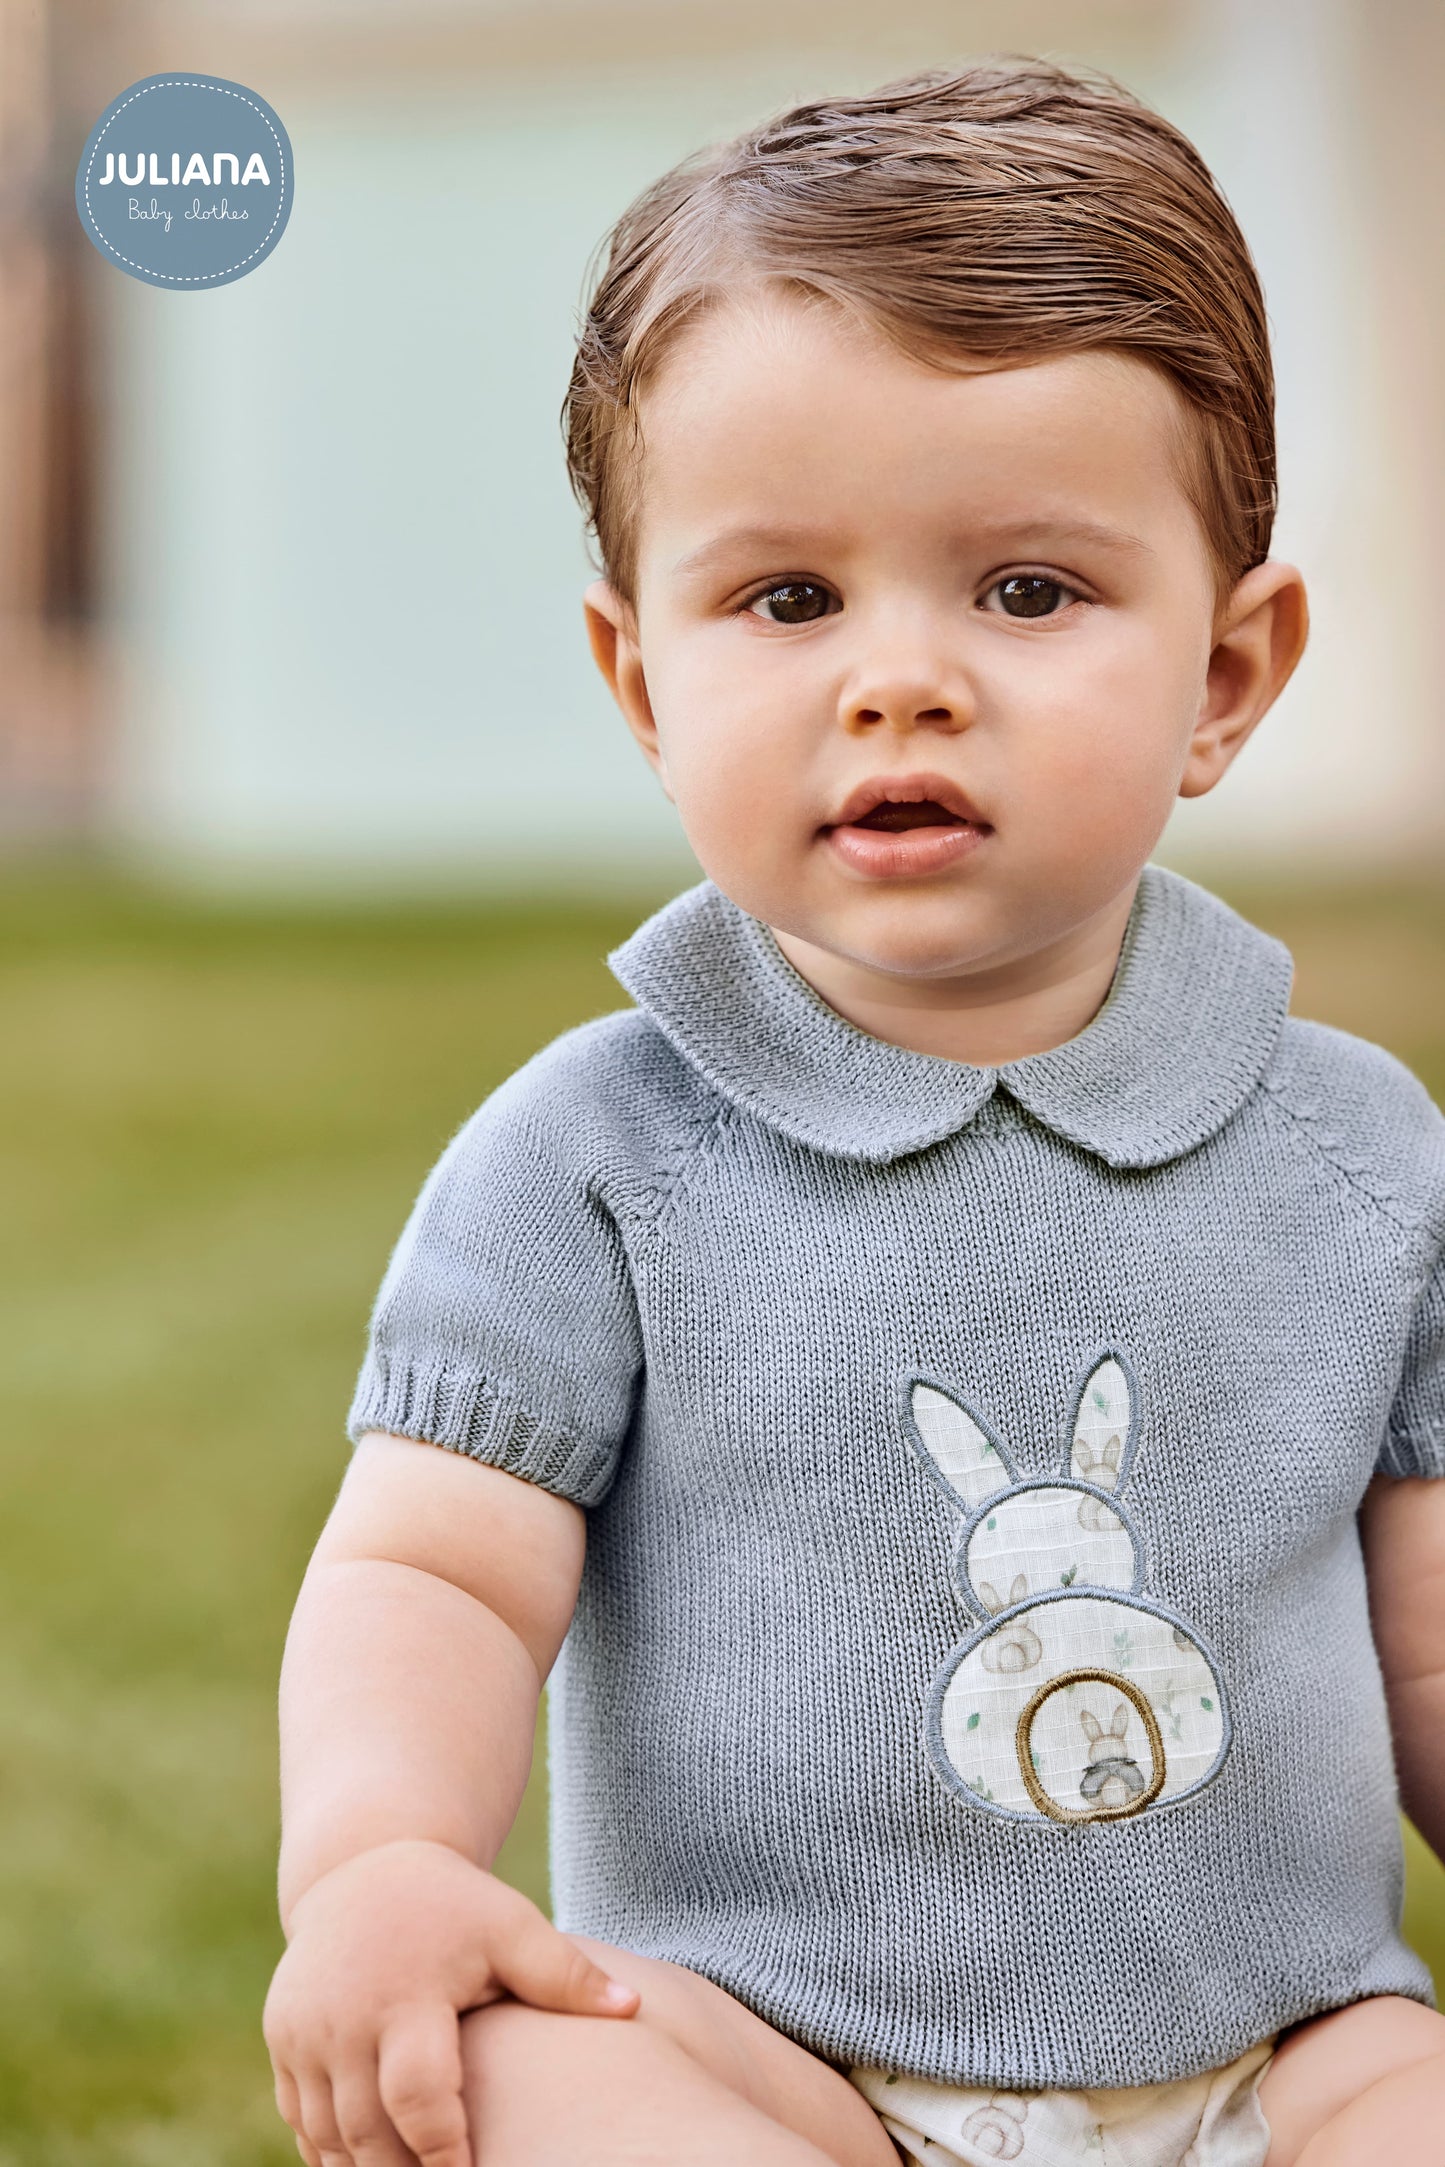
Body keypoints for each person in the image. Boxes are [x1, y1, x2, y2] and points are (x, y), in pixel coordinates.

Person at [261, 59, 1445, 2167]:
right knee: (527, 2076)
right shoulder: (594, 1157)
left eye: (1026, 590)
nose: (899, 679)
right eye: (789, 600)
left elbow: (1431, 1643)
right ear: (646, 683)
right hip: (758, 2057)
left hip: (1288, 2055)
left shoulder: (1364, 1157)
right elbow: (435, 1570)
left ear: (1231, 676)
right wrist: (372, 1856)